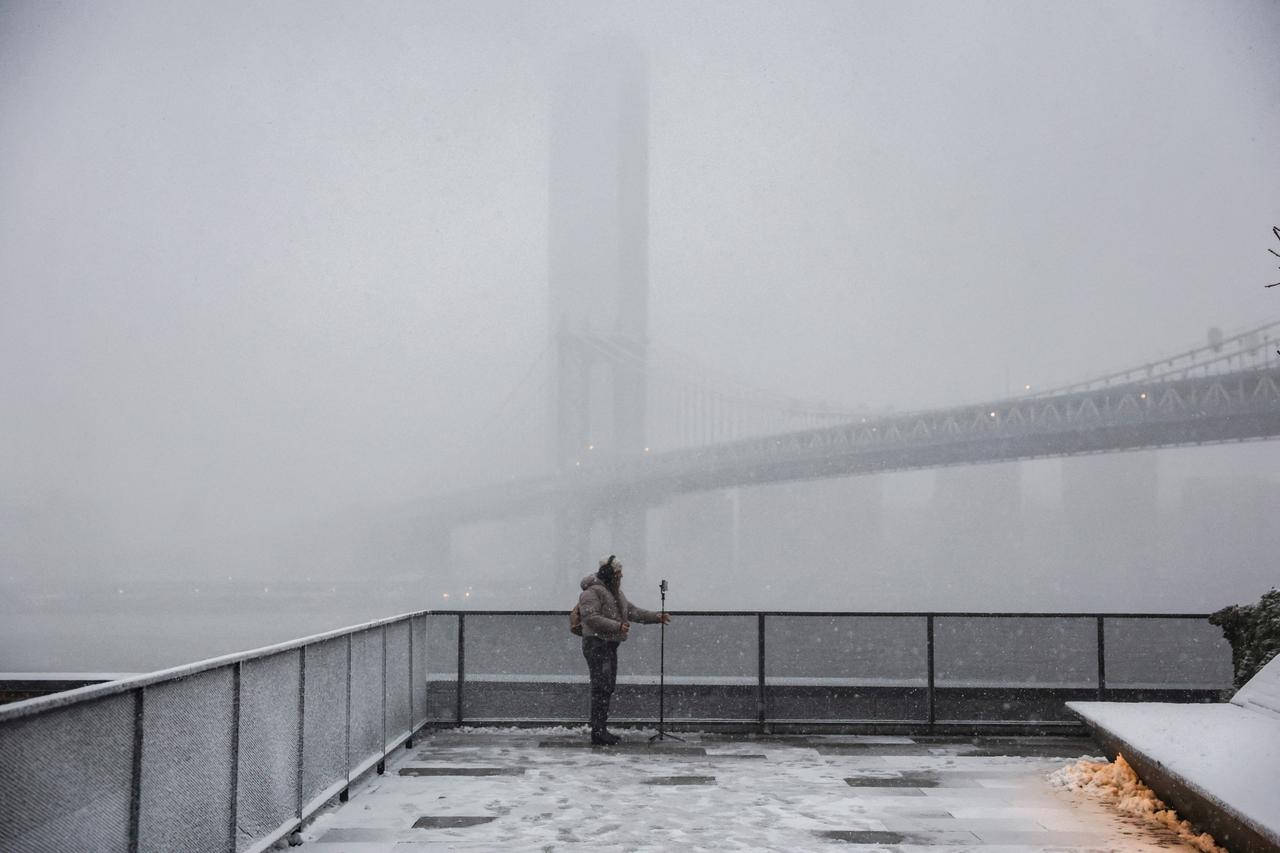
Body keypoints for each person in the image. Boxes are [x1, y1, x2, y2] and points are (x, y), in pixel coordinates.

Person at [577, 554, 670, 745]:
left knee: (606, 687)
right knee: (601, 688)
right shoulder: (592, 592)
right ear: (611, 574)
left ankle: (601, 729)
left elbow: (631, 611)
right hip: (596, 644)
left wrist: (655, 617)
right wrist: (616, 626)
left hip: (608, 644)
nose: (622, 576)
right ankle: (598, 731)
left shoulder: (614, 592)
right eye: (619, 573)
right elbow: (590, 617)